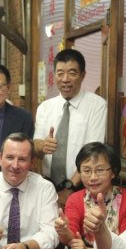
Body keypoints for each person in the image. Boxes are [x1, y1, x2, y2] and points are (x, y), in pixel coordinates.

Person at [33, 48, 107, 207]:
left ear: (83, 75)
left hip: (80, 186)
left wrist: (70, 187)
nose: (65, 79)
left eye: (72, 73)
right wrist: (42, 146)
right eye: (60, 73)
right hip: (47, 186)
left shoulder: (97, 105)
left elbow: (93, 152)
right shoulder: (45, 107)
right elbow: (35, 147)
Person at [55, 142, 126, 249]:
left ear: (113, 172)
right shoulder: (75, 199)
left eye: (100, 170)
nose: (93, 177)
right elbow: (72, 240)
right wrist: (64, 231)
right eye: (86, 171)